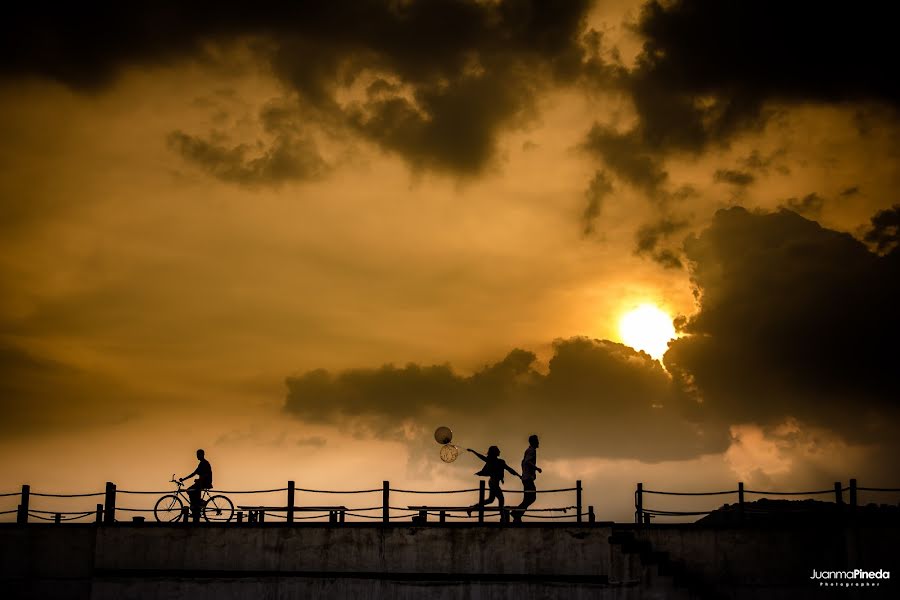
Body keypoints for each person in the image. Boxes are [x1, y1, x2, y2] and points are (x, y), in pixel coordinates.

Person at [466, 446, 520, 521]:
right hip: (493, 483)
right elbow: (481, 456)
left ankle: (472, 508)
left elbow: (509, 469)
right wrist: (473, 451)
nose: (499, 451)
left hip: (493, 482)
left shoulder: (501, 462)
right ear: (495, 452)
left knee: (490, 500)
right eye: (498, 450)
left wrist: (518, 475)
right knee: (501, 499)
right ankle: (502, 518)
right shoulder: (491, 460)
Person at [512, 434, 542, 523]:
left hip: (526, 477)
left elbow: (523, 462)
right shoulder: (531, 451)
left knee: (527, 499)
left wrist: (526, 473)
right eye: (537, 441)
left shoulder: (528, 450)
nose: (538, 443)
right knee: (532, 498)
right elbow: (527, 462)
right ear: (533, 442)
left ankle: (517, 515)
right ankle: (516, 513)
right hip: (528, 478)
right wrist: (536, 469)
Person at [179, 449, 213, 523]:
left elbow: (206, 474)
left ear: (202, 455)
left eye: (198, 455)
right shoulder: (201, 464)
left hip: (205, 483)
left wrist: (199, 480)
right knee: (190, 491)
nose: (197, 456)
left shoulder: (205, 463)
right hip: (201, 482)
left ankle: (198, 504)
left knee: (190, 490)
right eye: (197, 455)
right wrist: (184, 479)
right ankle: (196, 505)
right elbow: (194, 473)